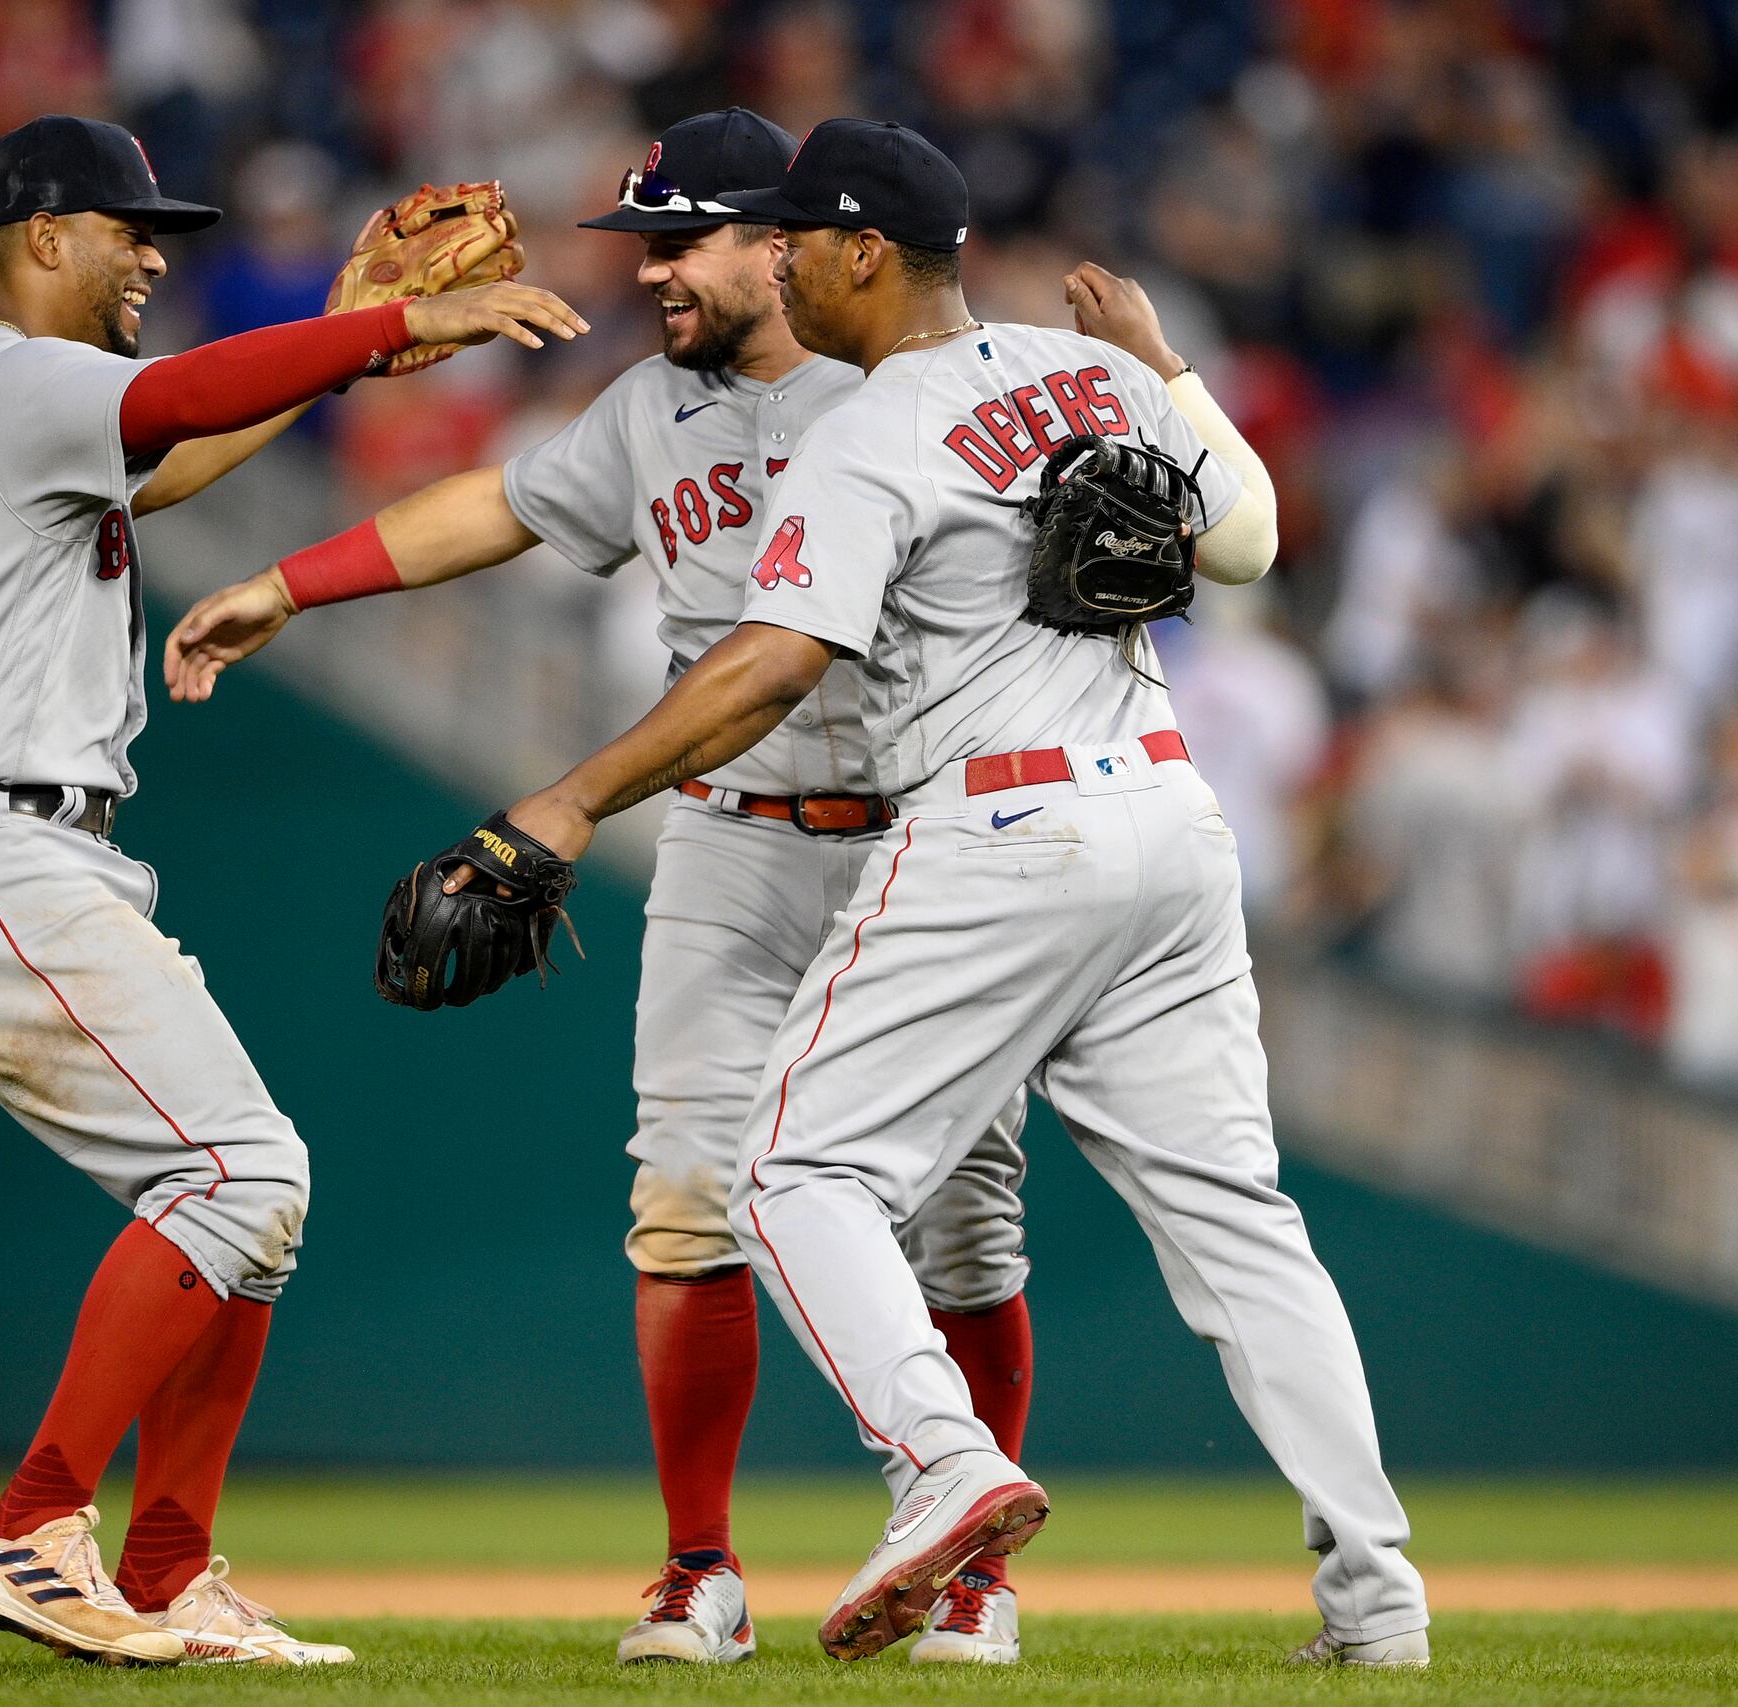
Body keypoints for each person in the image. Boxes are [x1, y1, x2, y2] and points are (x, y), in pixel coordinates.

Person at [446, 119, 1431, 1666]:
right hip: (1167, 813)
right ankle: (1378, 1596)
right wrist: (1168, 367)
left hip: (1002, 828)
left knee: (791, 1172)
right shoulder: (1088, 370)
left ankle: (942, 1464)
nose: (774, 262)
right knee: (1239, 1219)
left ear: (861, 255)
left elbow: (773, 661)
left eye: (795, 240)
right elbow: (1247, 540)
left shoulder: (868, 430)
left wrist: (569, 797)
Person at [164, 109, 1035, 1666]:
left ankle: (977, 1574)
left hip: (926, 829)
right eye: (642, 246)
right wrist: (286, 584)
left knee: (964, 1224)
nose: (653, 275)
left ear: (788, 240)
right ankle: (700, 1562)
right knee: (684, 1196)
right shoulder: (648, 407)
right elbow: (496, 506)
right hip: (726, 834)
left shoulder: (912, 392)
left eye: (681, 241)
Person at [0, 114, 586, 1668]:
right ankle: (32, 1524)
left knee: (252, 1196)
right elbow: (173, 401)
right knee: (239, 1176)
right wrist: (393, 322)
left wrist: (330, 347)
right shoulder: (15, 371)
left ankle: (170, 1571)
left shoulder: (19, 402)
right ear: (43, 237)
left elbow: (165, 465)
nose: (155, 250)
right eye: (129, 225)